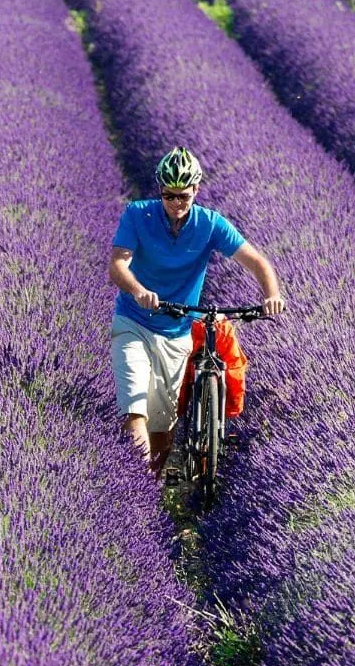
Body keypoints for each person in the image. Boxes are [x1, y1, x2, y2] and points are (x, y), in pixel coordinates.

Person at [109, 147, 285, 476]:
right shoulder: (137, 214)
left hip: (177, 332)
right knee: (135, 408)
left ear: (197, 191)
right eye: (169, 195)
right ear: (160, 190)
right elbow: (118, 265)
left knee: (162, 428)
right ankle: (135, 482)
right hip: (134, 322)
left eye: (184, 196)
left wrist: (271, 295)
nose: (176, 203)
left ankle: (150, 493)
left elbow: (256, 261)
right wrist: (139, 290)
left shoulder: (209, 224)